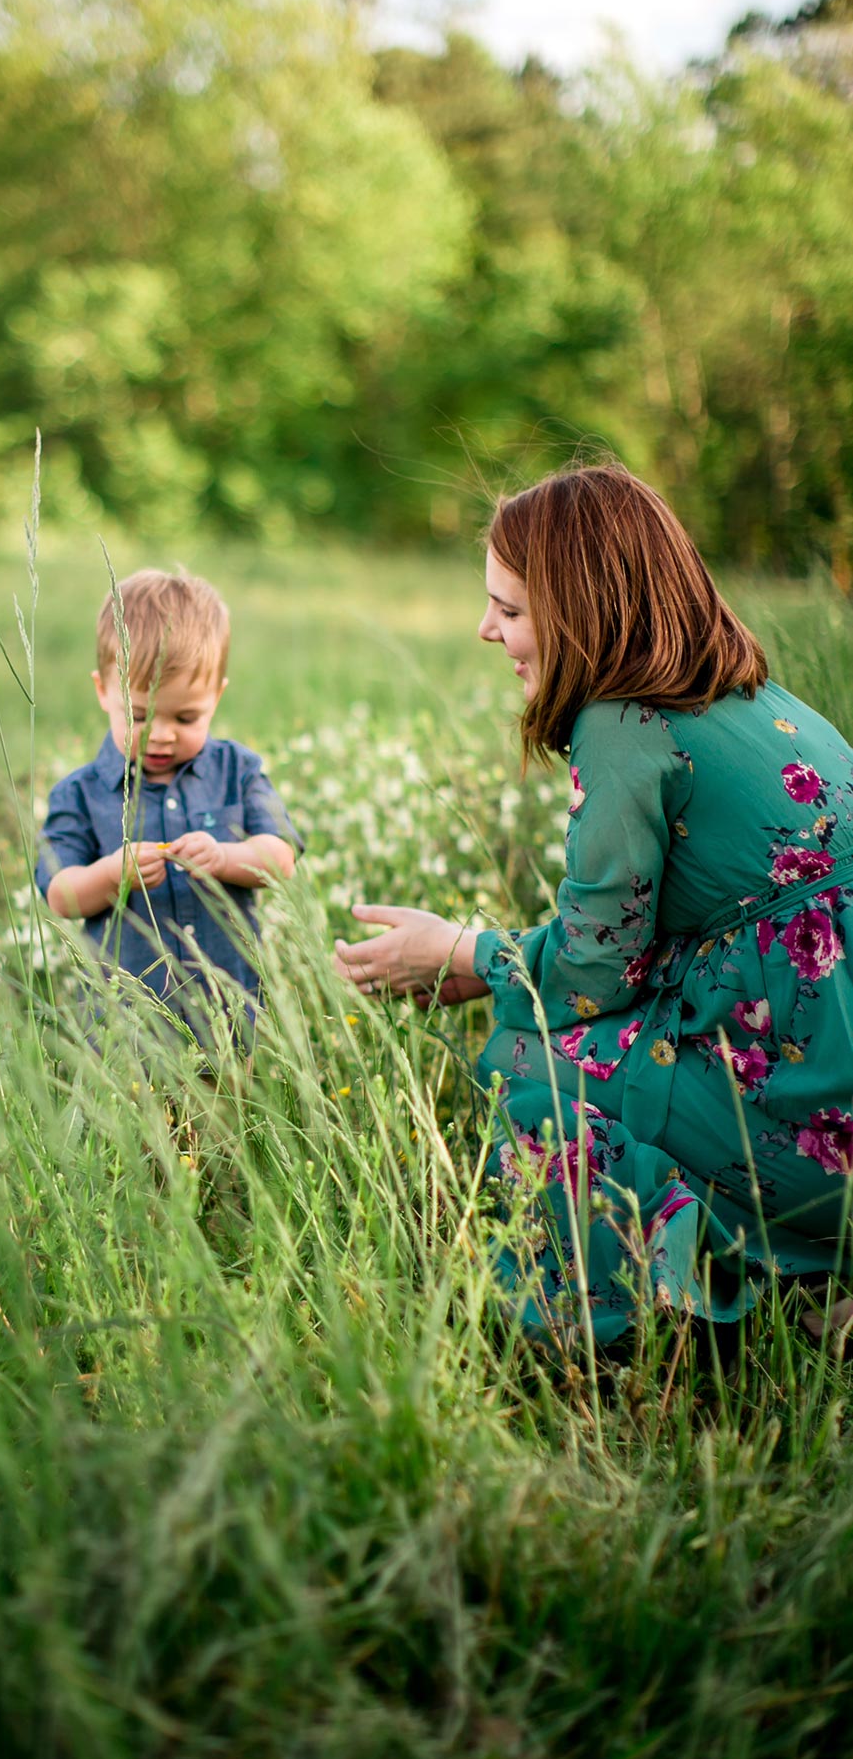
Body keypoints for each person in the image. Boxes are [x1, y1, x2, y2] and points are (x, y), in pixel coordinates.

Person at [336, 464, 853, 1345]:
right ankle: (766, 1273)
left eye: (507, 610)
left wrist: (464, 954)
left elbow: (588, 975)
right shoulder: (760, 699)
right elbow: (641, 946)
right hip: (823, 1068)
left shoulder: (623, 723)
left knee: (534, 1058)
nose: (484, 630)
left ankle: (606, 1327)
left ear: (580, 611)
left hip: (822, 1115)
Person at [37, 569, 298, 1036]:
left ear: (216, 697)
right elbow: (61, 894)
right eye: (138, 715)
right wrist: (110, 875)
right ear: (102, 691)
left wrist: (224, 857)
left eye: (186, 716)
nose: (161, 734)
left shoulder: (237, 771)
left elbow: (280, 856)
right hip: (126, 1027)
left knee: (229, 1105)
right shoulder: (78, 794)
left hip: (229, 1015)